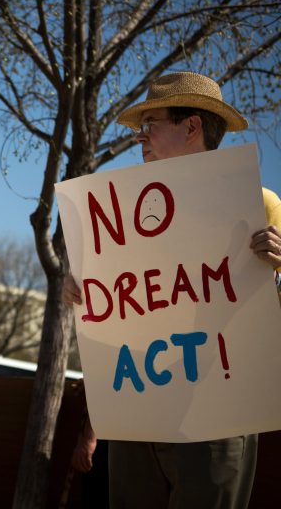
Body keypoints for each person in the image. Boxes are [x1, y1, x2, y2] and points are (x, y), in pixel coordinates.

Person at [65, 72, 281, 509]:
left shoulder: (260, 204)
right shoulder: (123, 215)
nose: (141, 138)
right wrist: (83, 289)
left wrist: (277, 267)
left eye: (152, 124)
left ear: (192, 127)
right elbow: (120, 320)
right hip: (138, 406)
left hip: (217, 407)